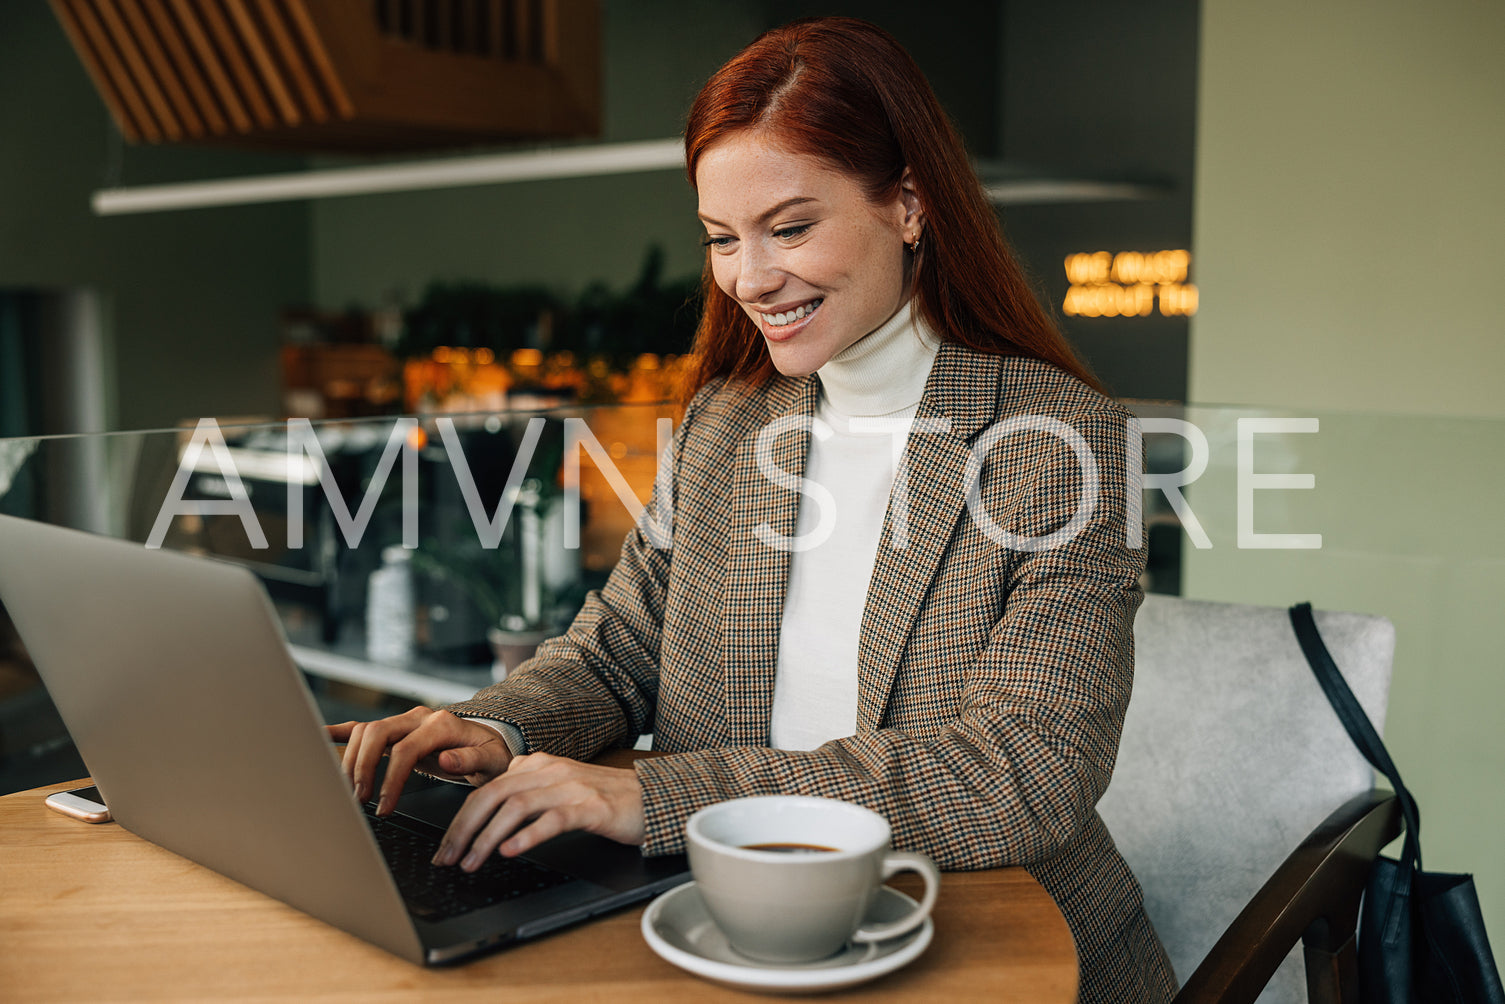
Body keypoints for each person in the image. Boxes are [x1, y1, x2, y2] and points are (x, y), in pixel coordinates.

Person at [331, 17, 1176, 1003]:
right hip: (724, 933)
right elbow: (615, 651)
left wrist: (650, 795)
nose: (749, 278)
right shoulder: (728, 423)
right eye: (721, 239)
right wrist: (496, 730)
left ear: (907, 204)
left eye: (789, 226)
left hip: (989, 945)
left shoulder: (1058, 443)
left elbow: (1023, 770)